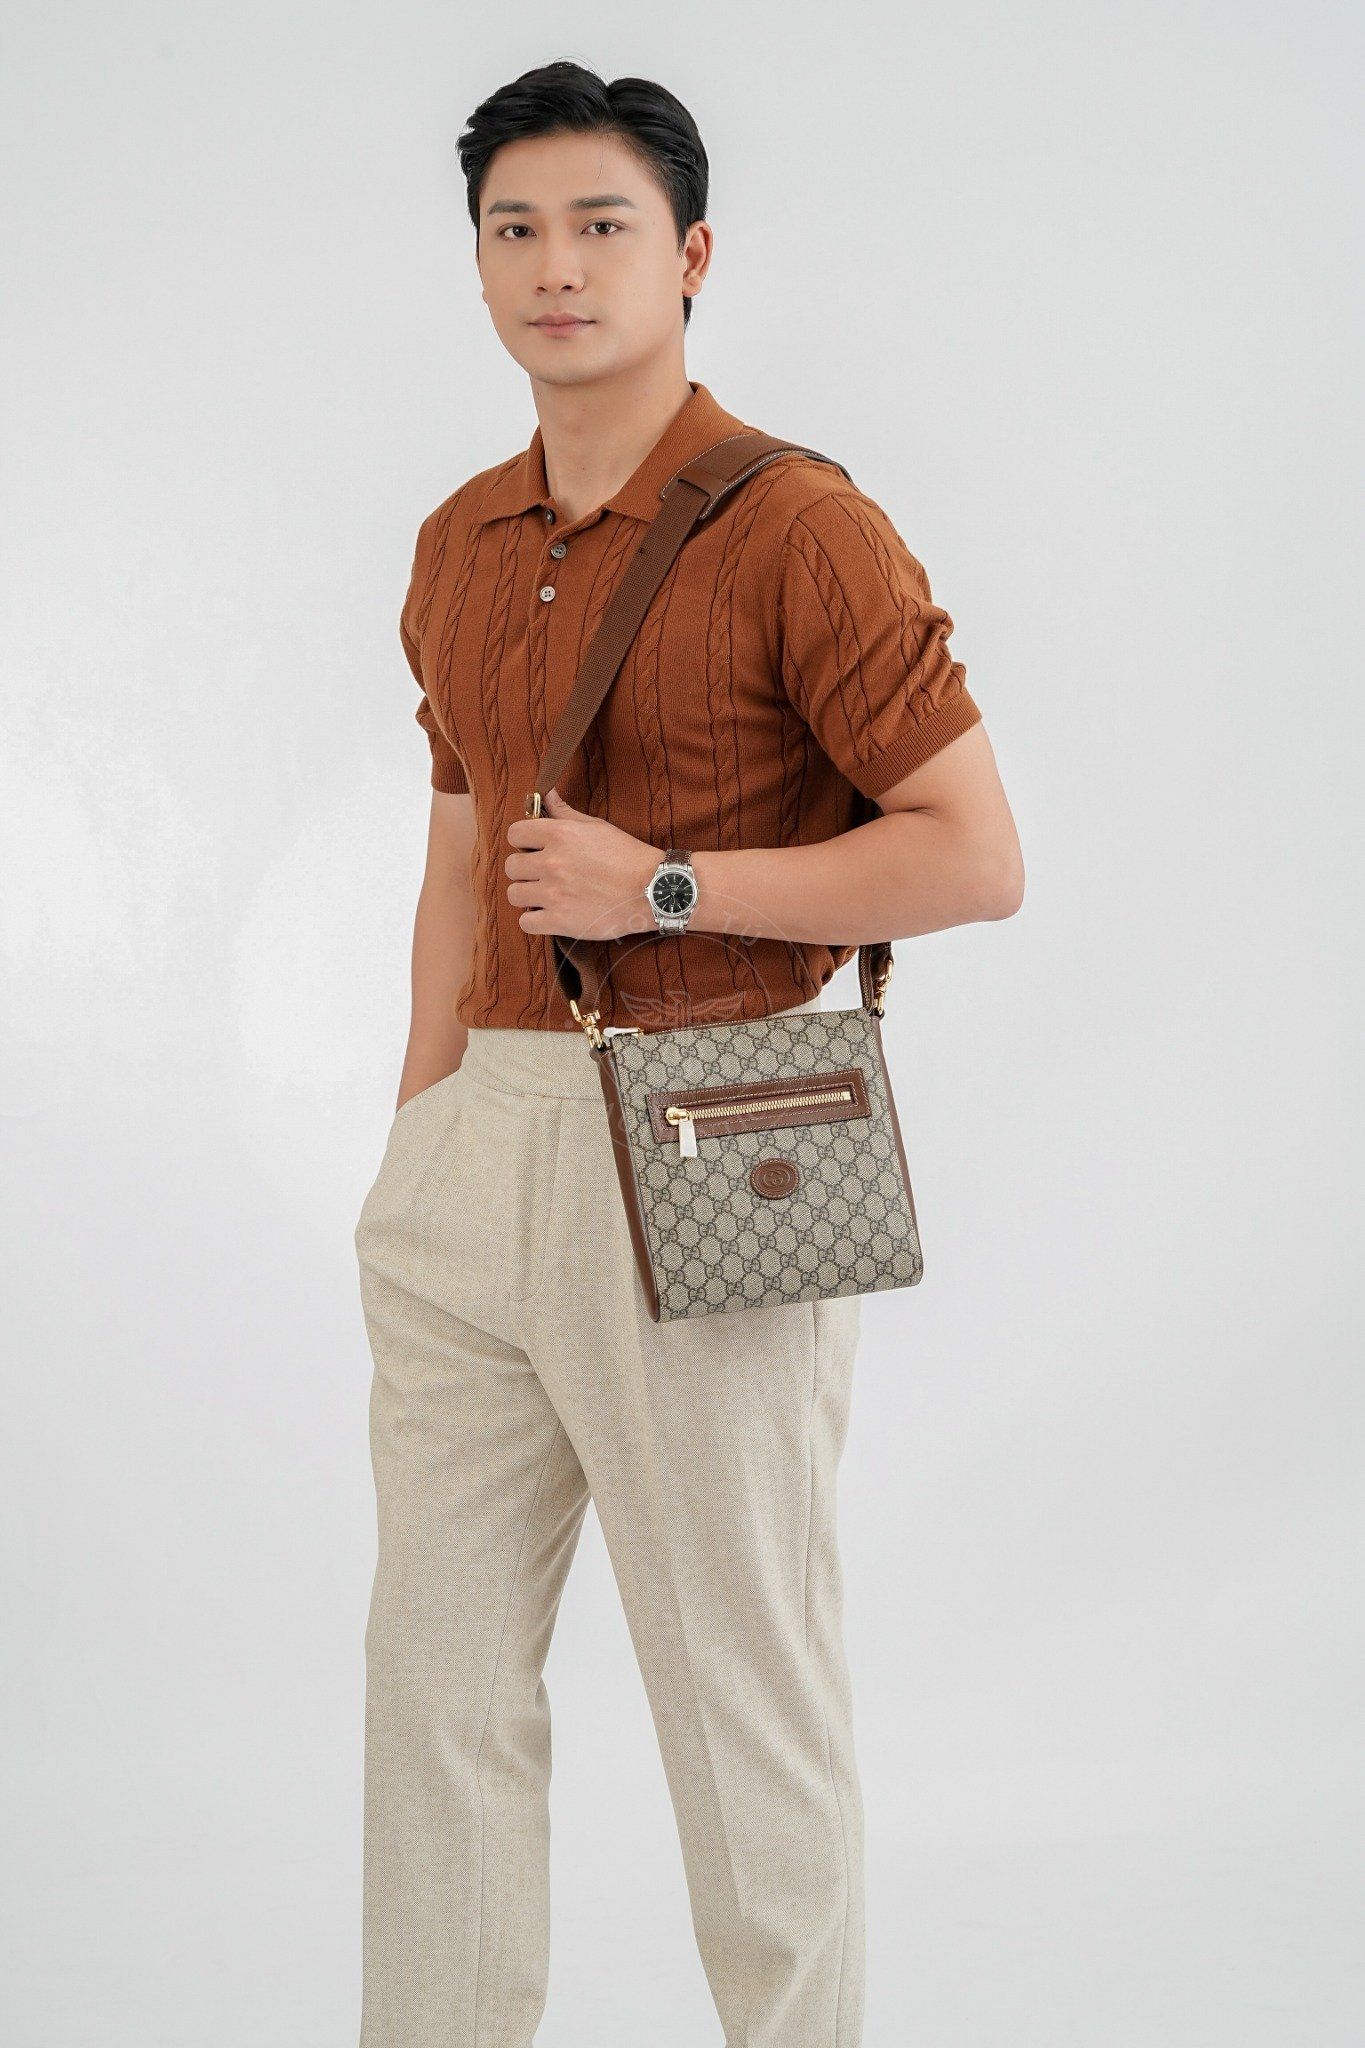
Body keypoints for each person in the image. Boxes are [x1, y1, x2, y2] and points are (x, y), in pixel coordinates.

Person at [353, 57, 1023, 2048]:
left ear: (691, 254)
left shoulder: (799, 526)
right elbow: (459, 854)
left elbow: (972, 856)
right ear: (477, 264)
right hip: (479, 1148)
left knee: (742, 1702)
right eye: (515, 229)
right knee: (434, 1693)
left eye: (600, 225)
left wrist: (662, 887)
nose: (554, 267)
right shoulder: (460, 538)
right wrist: (415, 1137)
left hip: (712, 1128)